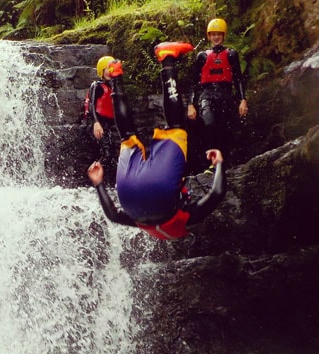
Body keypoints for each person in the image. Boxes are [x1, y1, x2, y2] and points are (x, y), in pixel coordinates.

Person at [87, 42, 226, 241]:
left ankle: (167, 59)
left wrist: (219, 163)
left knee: (176, 125)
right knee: (127, 136)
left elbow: (217, 193)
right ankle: (116, 76)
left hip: (160, 189)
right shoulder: (140, 222)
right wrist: (99, 183)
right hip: (128, 197)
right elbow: (113, 215)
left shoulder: (185, 220)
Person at [187, 18, 248, 172]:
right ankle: (211, 162)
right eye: (212, 34)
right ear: (209, 36)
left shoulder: (231, 54)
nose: (215, 37)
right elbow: (194, 82)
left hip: (225, 95)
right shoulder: (202, 56)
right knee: (209, 124)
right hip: (206, 95)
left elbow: (239, 78)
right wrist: (190, 104)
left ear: (223, 35)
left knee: (223, 129)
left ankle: (223, 164)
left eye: (218, 34)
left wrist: (243, 100)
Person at [84, 56, 122, 181]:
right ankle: (94, 178)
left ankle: (109, 181)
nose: (109, 71)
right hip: (97, 123)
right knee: (106, 153)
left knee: (111, 152)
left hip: (108, 125)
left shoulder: (113, 87)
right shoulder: (97, 85)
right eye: (107, 68)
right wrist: (96, 122)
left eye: (111, 68)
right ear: (102, 71)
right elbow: (91, 105)